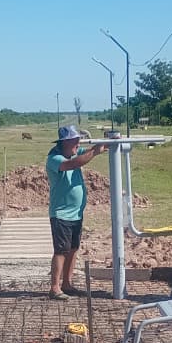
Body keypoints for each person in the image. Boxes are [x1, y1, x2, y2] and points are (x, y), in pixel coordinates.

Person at [45, 125, 107, 300]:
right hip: (61, 214)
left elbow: (84, 153)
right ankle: (55, 288)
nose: (78, 143)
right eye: (75, 141)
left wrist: (109, 142)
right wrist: (94, 151)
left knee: (73, 249)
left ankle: (67, 284)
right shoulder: (54, 158)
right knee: (61, 251)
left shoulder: (72, 151)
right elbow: (74, 164)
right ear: (65, 142)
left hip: (76, 214)